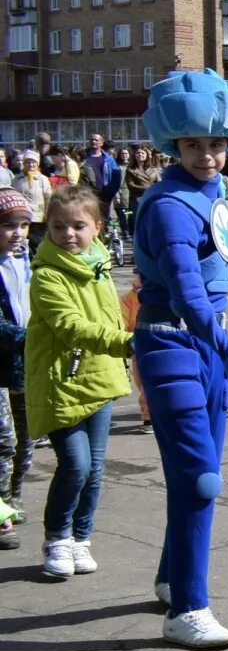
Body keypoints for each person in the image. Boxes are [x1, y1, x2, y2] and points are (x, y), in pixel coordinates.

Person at [133, 70, 228, 649]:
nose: (208, 155)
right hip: (172, 343)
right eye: (195, 145)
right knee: (200, 478)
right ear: (174, 144)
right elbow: (188, 296)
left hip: (206, 343)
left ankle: (173, 577)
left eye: (217, 144)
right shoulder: (168, 204)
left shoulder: (211, 193)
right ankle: (188, 608)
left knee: (196, 475)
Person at [29, 185, 132, 580]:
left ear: (98, 227)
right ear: (48, 228)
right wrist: (128, 344)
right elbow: (71, 327)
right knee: (76, 464)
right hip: (61, 383)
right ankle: (57, 537)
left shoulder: (100, 266)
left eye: (78, 226)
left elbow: (111, 317)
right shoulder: (46, 275)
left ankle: (80, 538)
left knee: (95, 469)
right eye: (58, 227)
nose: (68, 234)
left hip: (100, 379)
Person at [0, 189, 33, 533]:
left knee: (27, 436)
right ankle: (1, 505)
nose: (18, 233)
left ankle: (15, 494)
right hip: (6, 361)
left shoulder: (26, 260)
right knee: (3, 439)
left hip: (26, 365)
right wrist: (29, 339)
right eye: (9, 226)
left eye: (23, 225)